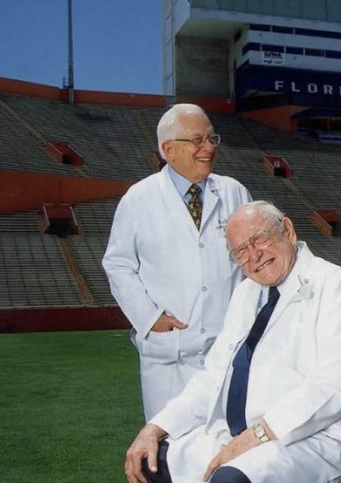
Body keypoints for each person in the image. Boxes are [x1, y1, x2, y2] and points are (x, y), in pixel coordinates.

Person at [124, 201, 341, 483]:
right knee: (151, 466)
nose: (253, 256)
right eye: (240, 251)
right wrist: (155, 428)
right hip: (243, 436)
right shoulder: (246, 293)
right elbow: (213, 377)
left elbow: (335, 386)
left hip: (316, 438)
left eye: (260, 239)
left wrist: (257, 435)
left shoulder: (334, 285)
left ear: (287, 230)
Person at [103, 103, 252, 421]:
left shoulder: (235, 193)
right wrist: (149, 318)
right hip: (169, 356)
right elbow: (117, 264)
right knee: (169, 441)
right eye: (197, 140)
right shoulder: (138, 199)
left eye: (212, 138)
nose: (208, 148)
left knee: (229, 441)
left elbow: (253, 261)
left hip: (226, 349)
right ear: (168, 150)